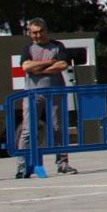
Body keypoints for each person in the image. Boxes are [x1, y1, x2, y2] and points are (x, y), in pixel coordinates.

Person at [17, 18, 76, 177]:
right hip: (33, 94)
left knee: (58, 128)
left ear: (46, 30)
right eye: (34, 32)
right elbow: (25, 66)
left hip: (55, 93)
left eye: (40, 31)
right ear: (30, 34)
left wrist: (38, 68)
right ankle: (23, 166)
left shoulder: (58, 46)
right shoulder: (28, 48)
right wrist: (50, 62)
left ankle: (62, 164)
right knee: (28, 131)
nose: (37, 35)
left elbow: (63, 65)